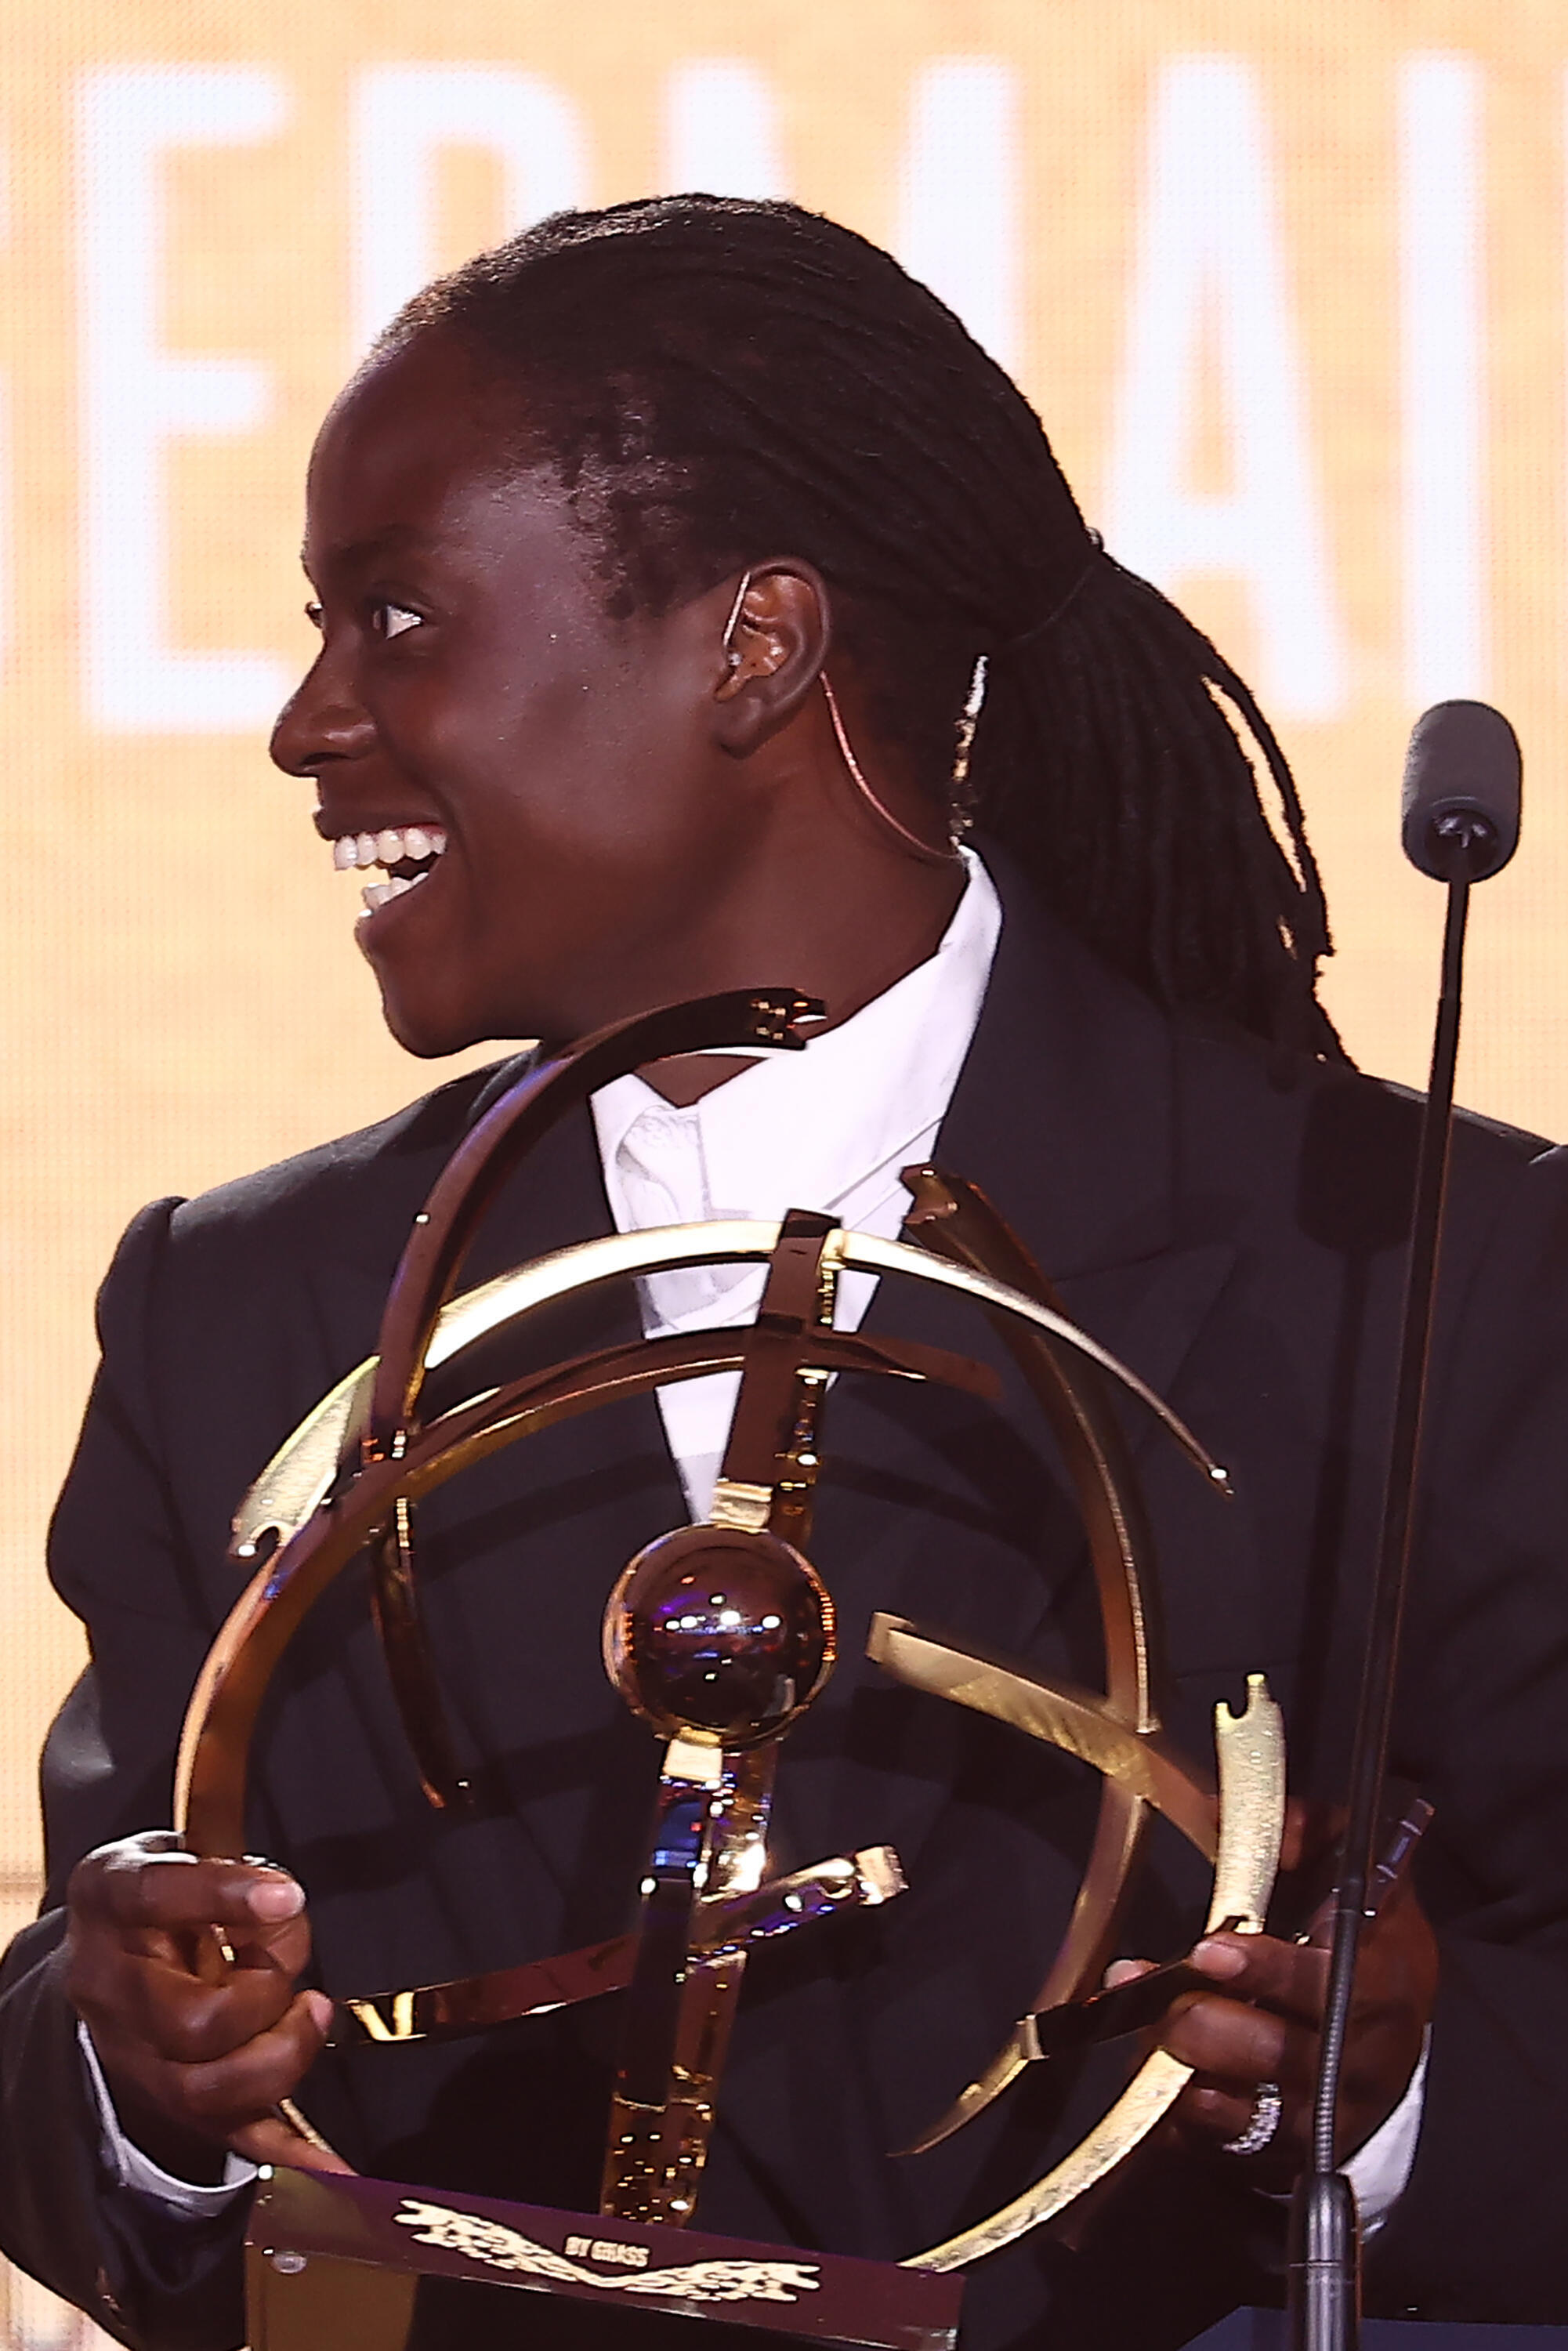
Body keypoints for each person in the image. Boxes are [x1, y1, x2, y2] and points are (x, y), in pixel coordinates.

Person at [2, 194, 1566, 2351]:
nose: (305, 722)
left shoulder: (1418, 1271)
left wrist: (1386, 2101)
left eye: (394, 618)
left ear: (753, 647)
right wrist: (143, 2085)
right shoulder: (238, 1306)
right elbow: (99, 2092)